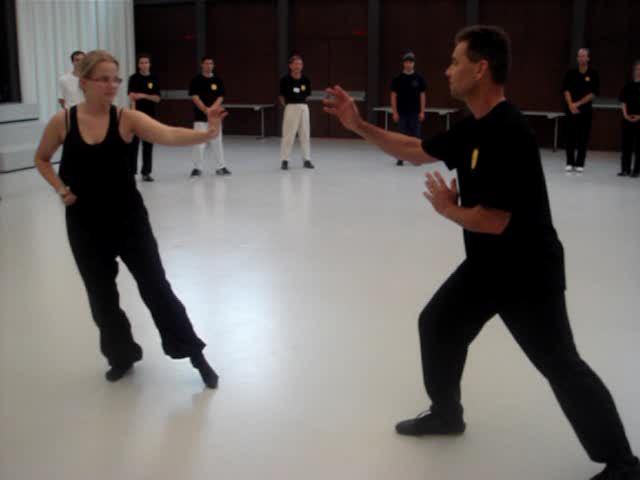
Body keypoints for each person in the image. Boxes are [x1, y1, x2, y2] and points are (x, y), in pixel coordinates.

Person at [324, 26, 640, 480]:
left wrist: (448, 209)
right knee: (437, 324)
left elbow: (494, 219)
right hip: (488, 265)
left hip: (527, 271)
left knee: (560, 364)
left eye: (456, 61)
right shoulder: (473, 126)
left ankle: (624, 465)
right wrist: (358, 125)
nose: (447, 70)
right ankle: (446, 414)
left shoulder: (509, 131)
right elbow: (416, 149)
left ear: (481, 68)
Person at [34, 50, 226, 388]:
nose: (112, 86)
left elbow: (168, 134)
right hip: (84, 224)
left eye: (116, 79)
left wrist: (207, 133)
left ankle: (194, 354)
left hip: (128, 220)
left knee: (156, 287)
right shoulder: (63, 121)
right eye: (103, 79)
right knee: (101, 296)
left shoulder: (126, 118)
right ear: (84, 82)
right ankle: (121, 356)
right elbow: (42, 159)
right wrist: (61, 189)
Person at [188, 56, 230, 177]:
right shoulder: (196, 80)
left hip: (215, 117)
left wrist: (212, 109)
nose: (209, 66)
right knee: (199, 142)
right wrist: (205, 110)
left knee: (217, 141)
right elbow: (195, 97)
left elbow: (221, 97)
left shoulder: (218, 80)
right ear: (202, 65)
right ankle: (197, 168)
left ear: (213, 65)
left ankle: (221, 167)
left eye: (211, 63)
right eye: (206, 63)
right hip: (200, 116)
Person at [562, 48, 600, 174]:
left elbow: (593, 93)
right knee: (570, 136)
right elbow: (566, 90)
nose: (581, 58)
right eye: (579, 56)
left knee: (583, 137)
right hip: (571, 110)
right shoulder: (570, 73)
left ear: (588, 58)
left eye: (583, 56)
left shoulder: (593, 74)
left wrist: (578, 104)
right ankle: (569, 162)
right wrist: (570, 104)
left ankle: (580, 163)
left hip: (585, 111)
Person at [128, 53, 161, 182]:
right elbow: (132, 97)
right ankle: (131, 172)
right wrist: (133, 114)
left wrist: (142, 95)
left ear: (150, 64)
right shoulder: (134, 78)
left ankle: (146, 172)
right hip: (136, 116)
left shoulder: (154, 78)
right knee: (133, 146)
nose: (144, 65)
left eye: (146, 62)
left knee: (148, 145)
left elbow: (157, 98)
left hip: (150, 117)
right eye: (141, 62)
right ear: (138, 65)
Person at [279, 53, 314, 170]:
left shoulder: (306, 79)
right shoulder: (285, 79)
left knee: (305, 134)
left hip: (303, 107)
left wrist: (300, 104)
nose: (298, 66)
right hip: (290, 107)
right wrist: (288, 106)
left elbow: (307, 95)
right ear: (290, 65)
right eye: (296, 64)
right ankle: (285, 160)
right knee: (288, 135)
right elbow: (281, 96)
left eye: (300, 64)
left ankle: (307, 159)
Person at [391, 50, 427, 166]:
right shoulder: (397, 79)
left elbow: (422, 95)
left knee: (416, 137)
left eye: (411, 62)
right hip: (401, 113)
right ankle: (400, 157)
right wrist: (395, 112)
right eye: (406, 62)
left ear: (414, 63)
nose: (409, 64)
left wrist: (422, 111)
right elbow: (393, 96)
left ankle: (416, 158)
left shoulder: (419, 78)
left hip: (415, 113)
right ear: (403, 63)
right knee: (401, 137)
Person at [618, 60, 640, 177]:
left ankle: (636, 171)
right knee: (626, 146)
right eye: (637, 69)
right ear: (634, 71)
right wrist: (625, 115)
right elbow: (623, 101)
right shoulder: (628, 85)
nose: (638, 71)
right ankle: (625, 169)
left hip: (639, 119)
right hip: (627, 119)